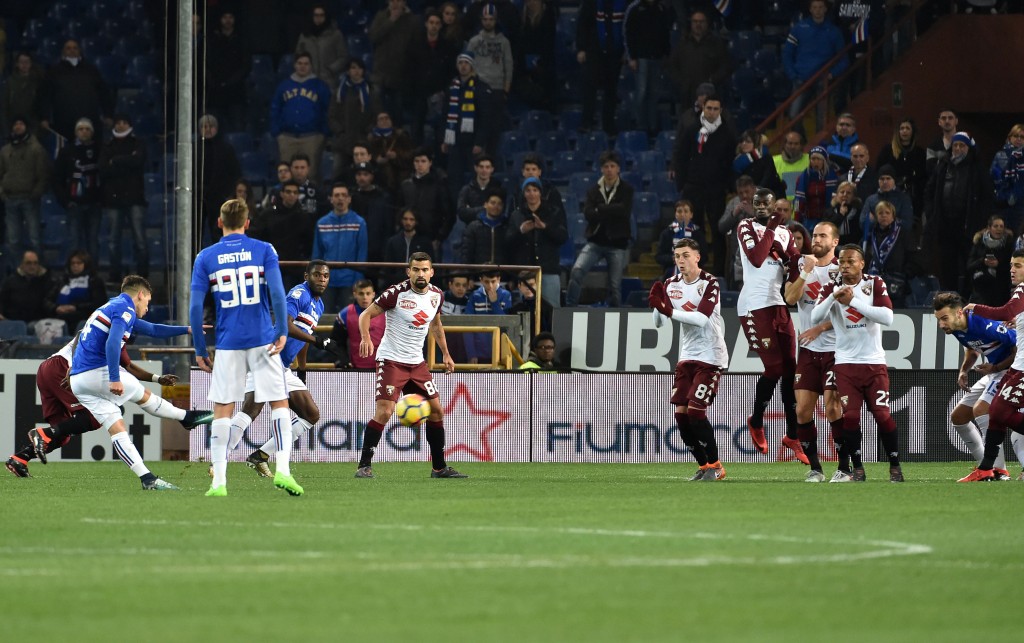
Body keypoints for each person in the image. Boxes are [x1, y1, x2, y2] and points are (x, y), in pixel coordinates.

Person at [189, 199, 300, 497]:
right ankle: (284, 472)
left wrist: (200, 347)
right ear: (248, 222)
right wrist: (281, 331)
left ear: (219, 222)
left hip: (227, 343)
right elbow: (277, 292)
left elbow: (195, 306)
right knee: (279, 402)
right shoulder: (264, 249)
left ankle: (219, 482)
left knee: (223, 409)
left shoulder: (205, 257)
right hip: (263, 338)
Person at [69, 276, 207, 490]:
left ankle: (147, 479)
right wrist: (115, 378)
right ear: (140, 295)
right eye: (148, 302)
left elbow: (153, 329)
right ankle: (186, 417)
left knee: (117, 427)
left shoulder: (112, 307)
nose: (147, 307)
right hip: (97, 372)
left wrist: (188, 329)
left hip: (78, 380)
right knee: (137, 390)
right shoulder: (125, 307)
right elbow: (113, 342)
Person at [7, 334, 202, 478]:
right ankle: (42, 434)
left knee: (61, 436)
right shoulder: (108, 328)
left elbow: (130, 367)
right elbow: (80, 341)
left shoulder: (115, 334)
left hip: (48, 369)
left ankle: (20, 459)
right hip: (62, 369)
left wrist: (157, 379)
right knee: (94, 418)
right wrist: (73, 368)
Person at [354, 252, 466, 479]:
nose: (420, 273)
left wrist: (446, 353)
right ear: (409, 272)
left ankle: (439, 468)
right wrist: (366, 338)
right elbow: (365, 315)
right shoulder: (396, 293)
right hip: (392, 360)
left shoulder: (437, 295)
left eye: (425, 269)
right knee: (385, 411)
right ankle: (364, 466)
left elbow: (436, 324)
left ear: (432, 272)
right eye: (416, 269)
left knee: (436, 411)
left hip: (417, 364)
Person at [229, 261, 334, 478]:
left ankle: (260, 455)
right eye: (317, 275)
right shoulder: (299, 294)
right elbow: (284, 324)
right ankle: (218, 458)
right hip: (268, 357)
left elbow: (303, 335)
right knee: (251, 410)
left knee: (310, 415)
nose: (321, 279)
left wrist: (302, 368)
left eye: (325, 276)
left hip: (283, 366)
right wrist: (315, 340)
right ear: (307, 276)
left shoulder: (319, 304)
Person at [810, 244, 902, 482]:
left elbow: (888, 318)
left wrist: (853, 302)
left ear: (862, 263)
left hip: (874, 363)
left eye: (851, 261)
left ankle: (894, 465)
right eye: (842, 261)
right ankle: (858, 467)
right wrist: (834, 296)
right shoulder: (831, 287)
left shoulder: (874, 283)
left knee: (882, 415)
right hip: (846, 364)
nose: (845, 265)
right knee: (850, 417)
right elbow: (814, 318)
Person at [649, 238, 730, 481]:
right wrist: (657, 306)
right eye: (677, 256)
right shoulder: (671, 283)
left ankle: (717, 466)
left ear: (697, 257)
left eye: (685, 255)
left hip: (711, 356)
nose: (680, 260)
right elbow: (659, 323)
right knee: (681, 415)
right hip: (686, 357)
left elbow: (702, 319)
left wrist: (668, 310)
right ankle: (704, 465)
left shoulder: (709, 283)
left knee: (696, 411)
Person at [736, 188, 806, 463]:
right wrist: (773, 229)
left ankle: (792, 435)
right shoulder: (746, 226)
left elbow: (795, 262)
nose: (762, 207)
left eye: (768, 204)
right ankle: (756, 419)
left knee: (791, 370)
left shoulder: (786, 232)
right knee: (775, 368)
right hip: (754, 305)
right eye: (758, 203)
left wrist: (794, 266)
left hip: (778, 304)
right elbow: (755, 257)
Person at [783, 221, 843, 481]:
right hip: (807, 352)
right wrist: (806, 272)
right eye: (815, 235)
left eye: (823, 236)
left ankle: (845, 467)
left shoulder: (842, 269)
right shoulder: (800, 265)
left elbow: (850, 312)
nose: (817, 239)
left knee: (833, 410)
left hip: (835, 350)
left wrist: (820, 328)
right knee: (802, 411)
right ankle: (816, 469)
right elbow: (790, 298)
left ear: (835, 242)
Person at [933, 291, 1015, 481]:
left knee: (981, 409)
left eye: (944, 318)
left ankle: (999, 471)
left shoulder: (984, 323)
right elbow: (972, 349)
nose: (941, 325)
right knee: (959, 417)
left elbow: (1019, 345)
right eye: (938, 320)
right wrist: (964, 371)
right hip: (995, 371)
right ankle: (986, 468)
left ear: (959, 313)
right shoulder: (956, 328)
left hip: (1012, 370)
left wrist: (997, 367)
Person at [960, 250, 1024, 481]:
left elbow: (1005, 311)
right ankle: (987, 469)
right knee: (996, 414)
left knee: (998, 411)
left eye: (1018, 265)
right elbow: (1011, 314)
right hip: (1018, 366)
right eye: (1011, 265)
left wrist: (976, 307)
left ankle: (989, 468)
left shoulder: (1023, 290)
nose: (1012, 270)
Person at [672, 94, 735, 276]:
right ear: (703, 108)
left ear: (721, 111)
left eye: (716, 109)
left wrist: (728, 187)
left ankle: (718, 272)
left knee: (717, 230)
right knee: (694, 229)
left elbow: (729, 162)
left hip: (716, 189)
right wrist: (682, 185)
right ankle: (694, 269)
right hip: (693, 187)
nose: (712, 112)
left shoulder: (727, 133)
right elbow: (681, 156)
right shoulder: (692, 129)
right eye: (709, 108)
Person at [924, 131, 994, 294]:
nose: (958, 148)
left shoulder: (977, 168)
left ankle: (969, 298)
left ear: (969, 148)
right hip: (946, 225)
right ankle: (950, 298)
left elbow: (988, 197)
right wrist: (931, 213)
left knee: (970, 265)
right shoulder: (943, 166)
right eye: (955, 145)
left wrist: (981, 220)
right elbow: (929, 190)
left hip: (969, 226)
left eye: (962, 145)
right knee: (947, 265)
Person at [566, 151, 635, 307]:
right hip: (596, 242)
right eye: (606, 166)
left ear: (618, 169)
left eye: (612, 166)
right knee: (577, 270)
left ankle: (616, 316)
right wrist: (611, 210)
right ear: (601, 169)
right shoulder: (593, 190)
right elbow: (588, 213)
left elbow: (624, 212)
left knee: (615, 286)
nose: (609, 169)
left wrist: (601, 209)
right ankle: (569, 308)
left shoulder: (627, 189)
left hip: (617, 244)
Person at [782, 0, 847, 136]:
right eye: (815, 7)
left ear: (825, 9)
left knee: (821, 123)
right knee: (793, 116)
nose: (817, 10)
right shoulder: (799, 28)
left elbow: (843, 59)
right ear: (810, 9)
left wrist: (831, 74)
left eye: (820, 7)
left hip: (822, 81)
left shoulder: (834, 31)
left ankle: (818, 151)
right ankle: (803, 144)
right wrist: (793, 75)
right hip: (801, 79)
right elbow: (787, 53)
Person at [441, 53, 499, 203]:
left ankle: (479, 205)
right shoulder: (452, 88)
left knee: (478, 178)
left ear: (472, 66)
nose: (463, 66)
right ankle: (456, 207)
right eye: (460, 63)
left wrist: (479, 142)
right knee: (454, 178)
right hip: (455, 141)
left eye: (466, 63)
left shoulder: (480, 88)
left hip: (473, 142)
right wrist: (445, 139)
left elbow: (486, 118)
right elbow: (445, 115)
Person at [506, 176, 568, 309]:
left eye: (535, 190)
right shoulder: (516, 215)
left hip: (549, 269)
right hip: (525, 272)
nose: (532, 194)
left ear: (540, 192)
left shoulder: (553, 212)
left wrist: (545, 227)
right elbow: (508, 243)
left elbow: (562, 237)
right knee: (526, 312)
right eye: (528, 190)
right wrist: (521, 231)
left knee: (552, 311)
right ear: (524, 194)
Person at [99, 114, 148, 281]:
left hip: (135, 198)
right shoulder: (107, 145)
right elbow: (104, 169)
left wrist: (116, 161)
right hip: (113, 200)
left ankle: (143, 275)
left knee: (140, 240)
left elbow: (138, 161)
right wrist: (127, 162)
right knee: (113, 241)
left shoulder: (138, 143)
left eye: (124, 122)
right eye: (118, 122)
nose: (121, 125)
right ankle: (114, 276)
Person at [37, 39, 114, 142]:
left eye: (75, 48)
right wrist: (44, 118)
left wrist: (108, 114)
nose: (72, 50)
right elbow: (44, 96)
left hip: (89, 120)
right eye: (68, 48)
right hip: (63, 121)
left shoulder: (91, 70)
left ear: (80, 51)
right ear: (63, 52)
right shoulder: (53, 72)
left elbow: (104, 94)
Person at [270, 53, 331, 181]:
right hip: (287, 137)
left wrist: (323, 133)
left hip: (312, 137)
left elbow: (328, 110)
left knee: (311, 175)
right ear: (294, 65)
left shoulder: (320, 86)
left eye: (306, 64)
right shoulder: (284, 86)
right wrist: (277, 132)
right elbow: (275, 109)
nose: (302, 67)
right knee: (286, 176)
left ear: (311, 66)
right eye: (300, 63)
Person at [0, 116, 48, 271]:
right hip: (10, 198)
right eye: (15, 124)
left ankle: (39, 271)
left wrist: (36, 193)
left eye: (21, 123)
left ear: (26, 127)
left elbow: (42, 174)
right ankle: (17, 272)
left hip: (29, 198)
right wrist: (2, 193)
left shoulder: (36, 149)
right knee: (13, 240)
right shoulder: (5, 150)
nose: (18, 127)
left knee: (35, 238)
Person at [312, 183, 368, 312]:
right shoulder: (321, 223)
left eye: (344, 195)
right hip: (326, 281)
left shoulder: (359, 222)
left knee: (348, 320)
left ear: (349, 199)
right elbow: (317, 254)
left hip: (350, 281)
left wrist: (357, 281)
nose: (340, 198)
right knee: (323, 319)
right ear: (331, 199)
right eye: (337, 195)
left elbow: (361, 254)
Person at [53, 118, 102, 261]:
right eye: (81, 129)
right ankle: (73, 274)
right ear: (76, 132)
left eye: (87, 129)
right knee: (74, 242)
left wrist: (101, 199)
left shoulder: (99, 149)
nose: (84, 132)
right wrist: (65, 201)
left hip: (94, 204)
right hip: (74, 204)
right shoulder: (66, 151)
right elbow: (57, 178)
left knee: (93, 242)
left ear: (92, 132)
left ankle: (93, 275)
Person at [576, 0, 627, 135]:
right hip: (595, 50)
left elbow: (629, 26)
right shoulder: (591, 3)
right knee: (590, 86)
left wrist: (627, 51)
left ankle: (608, 125)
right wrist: (581, 48)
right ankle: (587, 122)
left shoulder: (624, 3)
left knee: (611, 89)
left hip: (615, 52)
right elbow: (582, 24)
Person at [665, 10, 731, 113]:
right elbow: (672, 67)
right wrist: (682, 82)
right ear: (691, 23)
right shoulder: (682, 44)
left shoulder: (716, 44)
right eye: (695, 21)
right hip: (687, 96)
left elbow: (725, 66)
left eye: (701, 21)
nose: (698, 24)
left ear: (707, 23)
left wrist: (712, 80)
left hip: (711, 96)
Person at [250, 179, 314, 287]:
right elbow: (256, 235)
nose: (292, 195)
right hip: (273, 266)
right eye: (288, 192)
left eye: (295, 192)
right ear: (282, 194)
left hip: (296, 269)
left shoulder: (304, 217)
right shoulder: (268, 214)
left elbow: (309, 243)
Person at [622, 0, 672, 137]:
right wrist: (631, 56)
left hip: (657, 57)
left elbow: (665, 33)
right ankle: (641, 126)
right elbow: (628, 33)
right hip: (640, 58)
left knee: (654, 94)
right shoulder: (634, 8)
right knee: (642, 93)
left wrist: (666, 54)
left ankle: (652, 126)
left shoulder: (661, 9)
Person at [368, 0, 421, 124]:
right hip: (380, 71)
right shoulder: (381, 16)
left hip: (400, 74)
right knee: (377, 110)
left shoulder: (413, 20)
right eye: (392, 0)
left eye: (398, 0)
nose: (395, 3)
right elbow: (373, 37)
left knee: (397, 112)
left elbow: (416, 46)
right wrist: (391, 21)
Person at [197, 114, 241, 248]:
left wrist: (227, 193)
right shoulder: (194, 148)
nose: (208, 129)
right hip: (198, 198)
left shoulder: (226, 149)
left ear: (216, 128)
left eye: (211, 127)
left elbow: (234, 173)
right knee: (195, 232)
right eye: (205, 127)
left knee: (218, 231)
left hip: (219, 198)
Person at [399, 149, 453, 252]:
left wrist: (439, 237)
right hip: (408, 237)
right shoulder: (406, 185)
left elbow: (449, 214)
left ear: (430, 163)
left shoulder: (439, 185)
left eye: (423, 161)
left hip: (431, 238)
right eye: (417, 161)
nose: (420, 164)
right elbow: (399, 210)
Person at [863, 200, 916, 306]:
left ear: (893, 216)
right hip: (873, 283)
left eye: (887, 213)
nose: (884, 216)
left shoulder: (902, 234)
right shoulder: (869, 236)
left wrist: (905, 274)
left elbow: (912, 256)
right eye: (880, 213)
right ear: (876, 216)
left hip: (896, 282)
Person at [205, 10, 250, 132]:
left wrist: (231, 82)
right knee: (213, 130)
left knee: (237, 129)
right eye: (225, 17)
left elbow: (246, 66)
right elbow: (206, 64)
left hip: (236, 92)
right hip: (215, 91)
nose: (228, 20)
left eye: (231, 17)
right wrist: (213, 81)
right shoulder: (211, 40)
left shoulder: (241, 39)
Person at [328, 58, 377, 168]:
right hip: (343, 142)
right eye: (353, 68)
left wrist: (368, 131)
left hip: (364, 142)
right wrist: (340, 132)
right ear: (348, 71)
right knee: (338, 174)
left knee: (364, 173)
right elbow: (332, 116)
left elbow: (377, 115)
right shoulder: (339, 92)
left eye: (360, 68)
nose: (357, 71)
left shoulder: (371, 92)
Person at [512, 0, 559, 112]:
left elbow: (548, 44)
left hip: (544, 64)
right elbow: (520, 45)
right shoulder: (523, 19)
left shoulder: (548, 16)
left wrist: (539, 62)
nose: (530, 3)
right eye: (527, 1)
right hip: (525, 65)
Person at [876, 118, 927, 216]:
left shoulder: (919, 152)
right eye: (902, 128)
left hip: (912, 197)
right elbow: (879, 172)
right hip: (890, 195)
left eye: (907, 128)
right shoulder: (887, 150)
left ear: (912, 132)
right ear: (897, 131)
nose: (904, 131)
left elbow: (923, 176)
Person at [331, 279, 386, 369]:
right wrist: (344, 360)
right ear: (355, 294)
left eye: (368, 293)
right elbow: (337, 343)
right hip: (355, 368)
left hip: (381, 369)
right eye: (361, 294)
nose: (365, 297)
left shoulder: (385, 315)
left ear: (373, 294)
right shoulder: (344, 315)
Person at [45, 250, 106, 331]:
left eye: (79, 263)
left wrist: (75, 307)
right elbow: (47, 300)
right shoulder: (62, 280)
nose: (75, 266)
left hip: (84, 317)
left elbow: (98, 303)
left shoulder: (94, 281)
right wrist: (56, 308)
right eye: (72, 263)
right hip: (59, 316)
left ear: (86, 264)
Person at [295, 4, 349, 94]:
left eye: (321, 15)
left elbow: (343, 57)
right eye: (316, 15)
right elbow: (298, 56)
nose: (318, 18)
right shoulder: (305, 35)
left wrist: (331, 69)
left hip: (329, 81)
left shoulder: (335, 35)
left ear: (326, 16)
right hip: (309, 81)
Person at [465, 267, 513, 364]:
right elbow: (467, 326)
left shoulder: (506, 295)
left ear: (499, 279)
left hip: (500, 352)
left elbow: (505, 324)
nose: (490, 285)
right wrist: (471, 353)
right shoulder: (475, 296)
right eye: (486, 282)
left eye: (493, 281)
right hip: (478, 354)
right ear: (481, 280)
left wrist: (494, 302)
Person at [349, 161, 395, 263]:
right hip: (355, 248)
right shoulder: (350, 197)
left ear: (372, 176)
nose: (362, 178)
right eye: (359, 174)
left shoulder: (383, 197)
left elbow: (388, 226)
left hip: (376, 249)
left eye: (365, 174)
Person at [467, 4, 514, 101]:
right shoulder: (473, 42)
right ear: (481, 20)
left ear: (496, 20)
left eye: (491, 19)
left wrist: (505, 91)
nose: (488, 22)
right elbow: (467, 65)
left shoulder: (504, 42)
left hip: (498, 88)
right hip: (478, 87)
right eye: (485, 19)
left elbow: (508, 67)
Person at [718, 176, 757, 290]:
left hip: (759, 254)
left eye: (747, 192)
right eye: (741, 193)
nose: (744, 196)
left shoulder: (763, 199)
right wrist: (733, 215)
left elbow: (771, 224)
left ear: (754, 189)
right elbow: (721, 227)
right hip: (737, 255)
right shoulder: (734, 203)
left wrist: (753, 213)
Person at [0, 250, 58, 324]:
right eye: (28, 263)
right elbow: (2, 300)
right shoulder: (10, 281)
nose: (32, 266)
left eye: (35, 263)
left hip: (39, 323)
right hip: (14, 322)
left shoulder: (47, 281)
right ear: (22, 264)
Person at [966, 215, 1013, 306]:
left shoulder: (1008, 244)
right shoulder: (979, 243)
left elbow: (1011, 267)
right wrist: (983, 262)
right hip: (980, 290)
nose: (999, 229)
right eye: (995, 226)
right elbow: (969, 266)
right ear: (989, 228)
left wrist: (998, 265)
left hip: (1001, 291)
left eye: (1001, 226)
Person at [382, 209, 434, 287]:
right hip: (397, 283)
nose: (408, 222)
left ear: (416, 221)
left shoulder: (425, 242)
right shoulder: (393, 241)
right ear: (401, 220)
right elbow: (388, 268)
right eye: (405, 219)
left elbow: (430, 265)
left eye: (411, 219)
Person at [367, 111, 414, 196]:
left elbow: (411, 154)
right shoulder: (371, 139)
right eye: (381, 119)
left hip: (400, 170)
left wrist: (397, 155)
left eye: (387, 118)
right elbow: (367, 155)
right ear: (376, 123)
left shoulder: (401, 135)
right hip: (379, 172)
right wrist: (376, 159)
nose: (384, 121)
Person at [860, 164, 914, 236]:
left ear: (894, 180)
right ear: (878, 181)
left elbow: (907, 225)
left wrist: (877, 220)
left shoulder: (904, 199)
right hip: (874, 240)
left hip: (897, 241)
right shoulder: (870, 200)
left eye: (888, 178)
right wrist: (893, 219)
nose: (885, 182)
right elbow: (862, 224)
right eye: (882, 179)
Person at [461, 188, 510, 265]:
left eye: (499, 204)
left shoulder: (507, 228)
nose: (496, 207)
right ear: (485, 204)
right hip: (478, 274)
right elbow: (466, 255)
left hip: (502, 274)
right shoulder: (473, 228)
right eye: (493, 203)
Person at [733, 129, 786, 198]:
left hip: (770, 195)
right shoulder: (737, 161)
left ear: (756, 143)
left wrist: (756, 192)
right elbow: (735, 181)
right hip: (747, 197)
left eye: (748, 141)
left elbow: (768, 177)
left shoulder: (766, 157)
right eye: (742, 141)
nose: (744, 143)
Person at [794, 146, 838, 230]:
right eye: (813, 159)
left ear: (824, 161)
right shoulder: (803, 177)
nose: (816, 162)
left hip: (828, 218)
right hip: (808, 220)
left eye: (819, 159)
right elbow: (797, 201)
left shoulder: (833, 176)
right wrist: (797, 219)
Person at [656, 199, 701, 278]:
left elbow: (704, 256)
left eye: (686, 211)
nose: (682, 214)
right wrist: (673, 259)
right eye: (679, 211)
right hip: (671, 273)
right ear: (675, 214)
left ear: (691, 214)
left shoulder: (697, 234)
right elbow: (659, 256)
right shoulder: (667, 233)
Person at [991, 124, 1024, 230]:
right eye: (1016, 136)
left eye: (1022, 137)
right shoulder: (1000, 155)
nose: (1019, 139)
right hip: (1003, 204)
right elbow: (993, 177)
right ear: (1010, 138)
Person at [822, 180, 863, 245]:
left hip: (852, 245)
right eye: (842, 192)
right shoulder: (829, 211)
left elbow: (858, 233)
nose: (845, 195)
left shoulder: (857, 212)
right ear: (837, 195)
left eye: (849, 193)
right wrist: (840, 215)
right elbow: (827, 229)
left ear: (853, 197)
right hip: (833, 245)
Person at [773, 131, 809, 204]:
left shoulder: (809, 160)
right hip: (781, 207)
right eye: (790, 143)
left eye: (796, 144)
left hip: (804, 205)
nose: (793, 146)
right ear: (784, 144)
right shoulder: (774, 161)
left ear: (801, 145)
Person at [926, 109, 958, 173]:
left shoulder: (966, 141)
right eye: (943, 118)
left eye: (950, 118)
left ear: (956, 121)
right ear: (939, 122)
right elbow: (931, 170)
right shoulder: (933, 146)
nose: (947, 121)